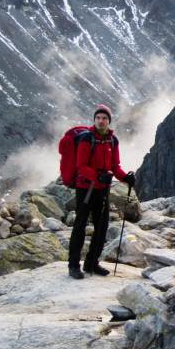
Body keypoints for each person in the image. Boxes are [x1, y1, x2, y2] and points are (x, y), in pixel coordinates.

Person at [67, 104, 135, 279]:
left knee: (101, 227)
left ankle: (92, 263)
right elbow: (81, 166)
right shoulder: (86, 139)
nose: (101, 121)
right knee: (80, 226)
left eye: (104, 118)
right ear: (94, 120)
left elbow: (115, 166)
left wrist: (125, 178)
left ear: (109, 121)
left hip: (102, 190)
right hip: (85, 189)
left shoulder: (113, 141)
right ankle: (73, 266)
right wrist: (98, 176)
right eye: (98, 118)